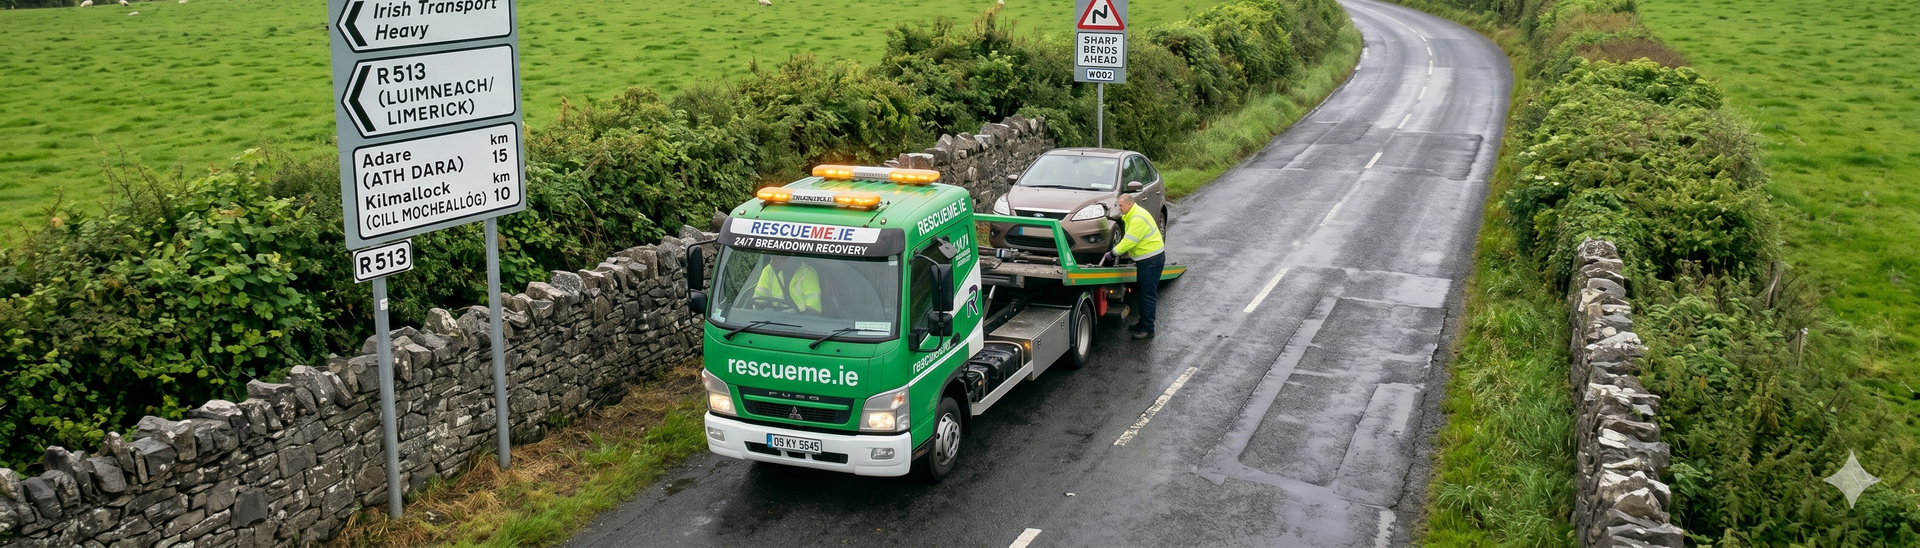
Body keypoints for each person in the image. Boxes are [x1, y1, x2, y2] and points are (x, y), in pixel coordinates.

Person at [1104, 194, 1165, 340]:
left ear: (1129, 205)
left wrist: (1112, 253)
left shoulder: (1137, 218)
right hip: (1146, 259)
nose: (1119, 208)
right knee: (1142, 293)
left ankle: (1148, 329)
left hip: (1151, 260)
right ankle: (1143, 323)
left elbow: (1129, 241)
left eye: (1121, 205)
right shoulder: (1133, 214)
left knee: (1147, 295)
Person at [752, 255, 822, 313]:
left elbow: (813, 310)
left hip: (800, 323)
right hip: (772, 320)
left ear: (792, 258)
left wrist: (795, 314)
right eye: (774, 256)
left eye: (781, 257)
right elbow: (758, 298)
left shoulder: (808, 274)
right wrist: (760, 308)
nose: (776, 260)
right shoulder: (768, 270)